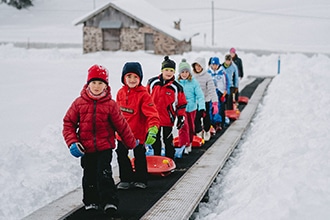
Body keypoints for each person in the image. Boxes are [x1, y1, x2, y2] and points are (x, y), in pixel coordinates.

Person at [62, 64, 138, 216]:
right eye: (94, 83)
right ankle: (91, 201)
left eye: (100, 83)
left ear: (106, 85)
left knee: (104, 173)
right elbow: (68, 123)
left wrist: (131, 142)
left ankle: (109, 201)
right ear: (88, 83)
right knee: (89, 175)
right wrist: (72, 142)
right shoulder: (79, 103)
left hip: (105, 147)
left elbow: (121, 125)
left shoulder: (110, 105)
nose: (97, 86)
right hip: (86, 148)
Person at [116, 62, 160, 190]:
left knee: (139, 154)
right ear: (124, 78)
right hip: (122, 133)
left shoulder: (144, 94)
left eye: (135, 77)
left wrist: (153, 129)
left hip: (138, 132)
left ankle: (141, 179)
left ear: (140, 78)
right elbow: (116, 113)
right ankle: (126, 178)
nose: (132, 80)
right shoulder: (120, 93)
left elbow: (152, 114)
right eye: (129, 76)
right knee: (121, 153)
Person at [147, 56, 187, 159]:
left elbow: (181, 104)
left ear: (174, 72)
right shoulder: (152, 83)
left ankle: (170, 158)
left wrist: (181, 117)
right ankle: (157, 158)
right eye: (166, 70)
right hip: (153, 118)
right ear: (162, 70)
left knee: (168, 139)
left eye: (171, 70)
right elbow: (145, 99)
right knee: (155, 140)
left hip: (167, 119)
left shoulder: (177, 87)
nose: (168, 73)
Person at [177, 58, 205, 154]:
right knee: (182, 127)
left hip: (192, 108)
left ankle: (189, 142)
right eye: (182, 72)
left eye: (186, 72)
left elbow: (200, 95)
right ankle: (183, 145)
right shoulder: (177, 83)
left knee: (190, 127)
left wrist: (201, 107)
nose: (184, 74)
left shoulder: (193, 82)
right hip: (181, 109)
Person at [192, 57, 218, 141]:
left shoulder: (207, 76)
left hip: (205, 99)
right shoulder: (192, 76)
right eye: (196, 66)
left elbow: (212, 90)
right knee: (196, 117)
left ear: (203, 66)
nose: (198, 68)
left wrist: (215, 102)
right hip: (196, 101)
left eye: (199, 66)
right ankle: (199, 131)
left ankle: (207, 130)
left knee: (206, 117)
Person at [208, 57, 229, 130]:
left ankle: (219, 122)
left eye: (216, 65)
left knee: (220, 107)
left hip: (220, 92)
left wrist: (225, 92)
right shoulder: (209, 73)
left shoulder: (222, 73)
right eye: (213, 65)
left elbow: (226, 83)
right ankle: (211, 122)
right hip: (211, 92)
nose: (214, 67)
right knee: (211, 107)